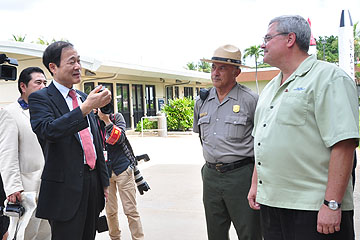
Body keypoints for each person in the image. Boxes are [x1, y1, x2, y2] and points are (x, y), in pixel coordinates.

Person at [247, 15, 359, 240]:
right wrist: (255, 185)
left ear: (290, 39)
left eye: (268, 37)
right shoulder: (270, 87)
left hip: (313, 207)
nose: (262, 44)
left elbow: (344, 145)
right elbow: (263, 140)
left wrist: (332, 204)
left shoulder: (328, 78)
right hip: (272, 204)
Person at [28, 41, 112, 240]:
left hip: (92, 184)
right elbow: (48, 130)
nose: (78, 66)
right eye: (71, 61)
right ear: (53, 67)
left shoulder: (84, 97)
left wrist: (104, 181)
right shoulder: (41, 99)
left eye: (79, 61)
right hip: (64, 190)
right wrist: (84, 109)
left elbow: (95, 143)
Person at [193, 44, 262, 240]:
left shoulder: (251, 100)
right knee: (215, 233)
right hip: (211, 175)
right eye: (213, 67)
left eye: (222, 68)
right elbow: (202, 139)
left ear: (236, 72)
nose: (215, 73)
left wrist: (256, 182)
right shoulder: (202, 102)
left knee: (250, 232)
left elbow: (262, 143)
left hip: (241, 176)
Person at [0, 67, 50, 240]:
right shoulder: (10, 113)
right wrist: (13, 187)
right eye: (38, 82)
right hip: (27, 188)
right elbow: (7, 153)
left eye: (45, 82)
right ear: (23, 86)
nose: (43, 86)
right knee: (26, 234)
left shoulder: (48, 112)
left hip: (50, 185)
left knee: (46, 234)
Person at [95, 109, 145, 240]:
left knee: (131, 211)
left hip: (122, 169)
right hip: (105, 173)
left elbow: (120, 137)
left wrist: (106, 120)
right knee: (110, 212)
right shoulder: (92, 121)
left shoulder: (117, 117)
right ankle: (115, 238)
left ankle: (138, 238)